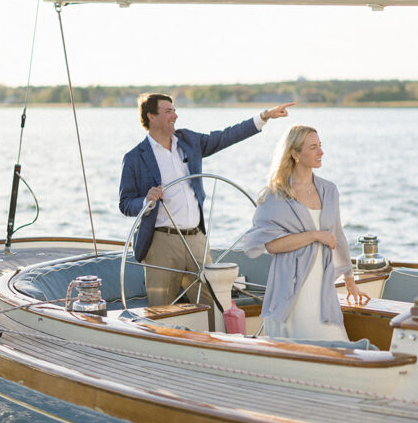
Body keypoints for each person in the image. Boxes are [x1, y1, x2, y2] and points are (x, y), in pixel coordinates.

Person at [119, 93, 294, 309]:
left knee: (212, 304)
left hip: (197, 240)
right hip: (161, 243)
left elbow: (225, 137)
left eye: (174, 110)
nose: (175, 115)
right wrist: (146, 199)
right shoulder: (135, 157)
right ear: (151, 117)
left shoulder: (189, 141)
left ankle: (217, 341)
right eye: (168, 111)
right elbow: (125, 203)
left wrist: (264, 116)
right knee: (160, 309)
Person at [242, 124, 369, 341]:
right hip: (292, 285)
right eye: (313, 147)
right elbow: (269, 245)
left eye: (320, 145)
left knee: (332, 341)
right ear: (295, 154)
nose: (321, 152)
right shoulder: (275, 195)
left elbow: (337, 235)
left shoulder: (329, 190)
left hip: (323, 283)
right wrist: (315, 235)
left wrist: (350, 280)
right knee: (299, 344)